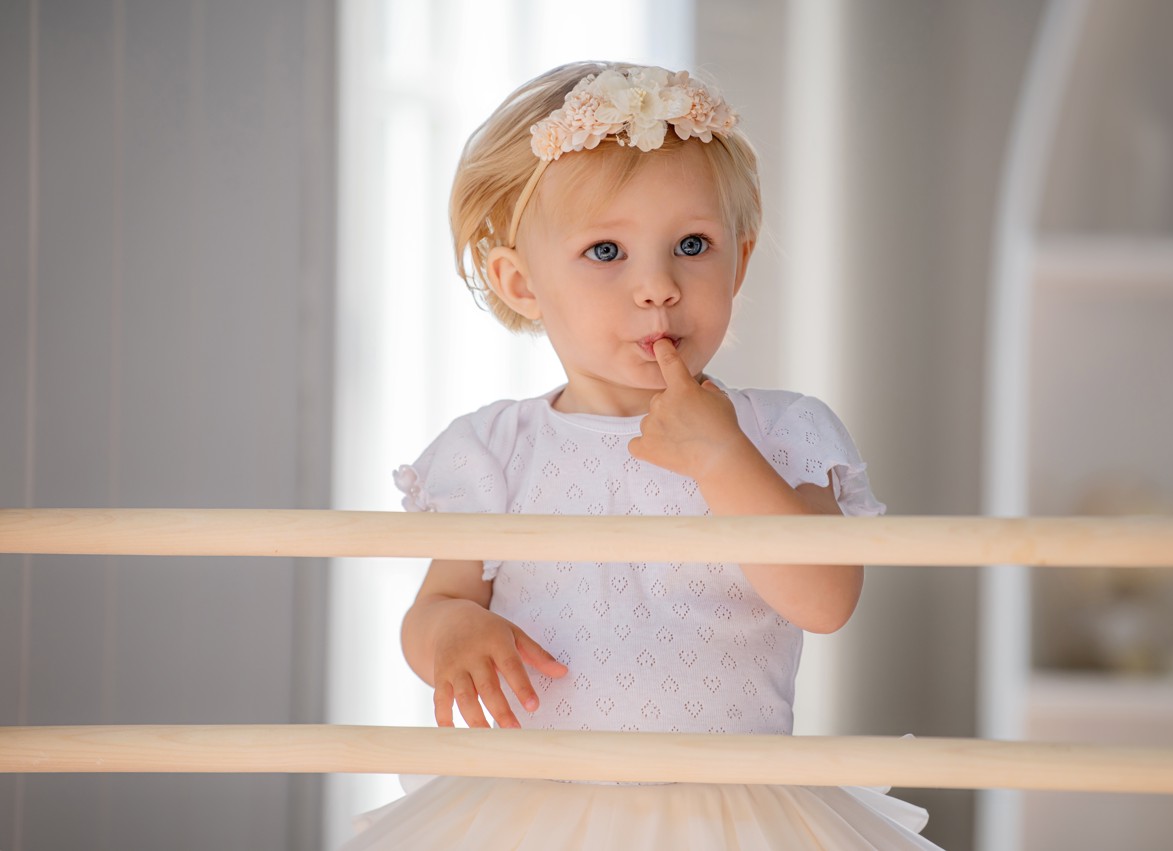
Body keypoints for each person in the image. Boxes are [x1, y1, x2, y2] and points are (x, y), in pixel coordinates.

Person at [344, 61, 941, 850]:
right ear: (520, 282)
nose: (658, 285)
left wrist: (722, 456)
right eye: (606, 251)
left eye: (692, 245)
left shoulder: (781, 433)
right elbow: (434, 606)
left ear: (740, 261)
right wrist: (451, 632)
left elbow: (825, 598)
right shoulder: (496, 452)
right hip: (535, 809)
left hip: (732, 814)